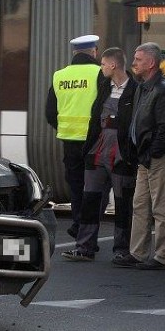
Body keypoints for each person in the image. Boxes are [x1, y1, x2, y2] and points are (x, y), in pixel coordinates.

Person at [62, 47, 137, 262]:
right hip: (97, 149)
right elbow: (96, 117)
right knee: (90, 199)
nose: (100, 67)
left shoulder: (135, 89)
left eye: (103, 64)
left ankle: (122, 249)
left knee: (123, 203)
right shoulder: (103, 85)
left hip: (121, 153)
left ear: (113, 65)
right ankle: (85, 247)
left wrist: (132, 153)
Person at [113, 42, 165, 271]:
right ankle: (138, 253)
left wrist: (152, 153)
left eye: (138, 59)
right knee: (140, 205)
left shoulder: (163, 89)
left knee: (161, 208)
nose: (134, 63)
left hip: (158, 158)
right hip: (145, 157)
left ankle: (163, 257)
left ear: (151, 63)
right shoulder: (143, 87)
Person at [46, 34, 102, 239]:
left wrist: (65, 128)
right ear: (94, 51)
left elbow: (50, 112)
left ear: (75, 53)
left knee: (77, 185)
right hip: (95, 140)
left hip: (69, 141)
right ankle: (87, 228)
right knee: (95, 186)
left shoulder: (60, 75)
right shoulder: (99, 73)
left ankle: (78, 222)